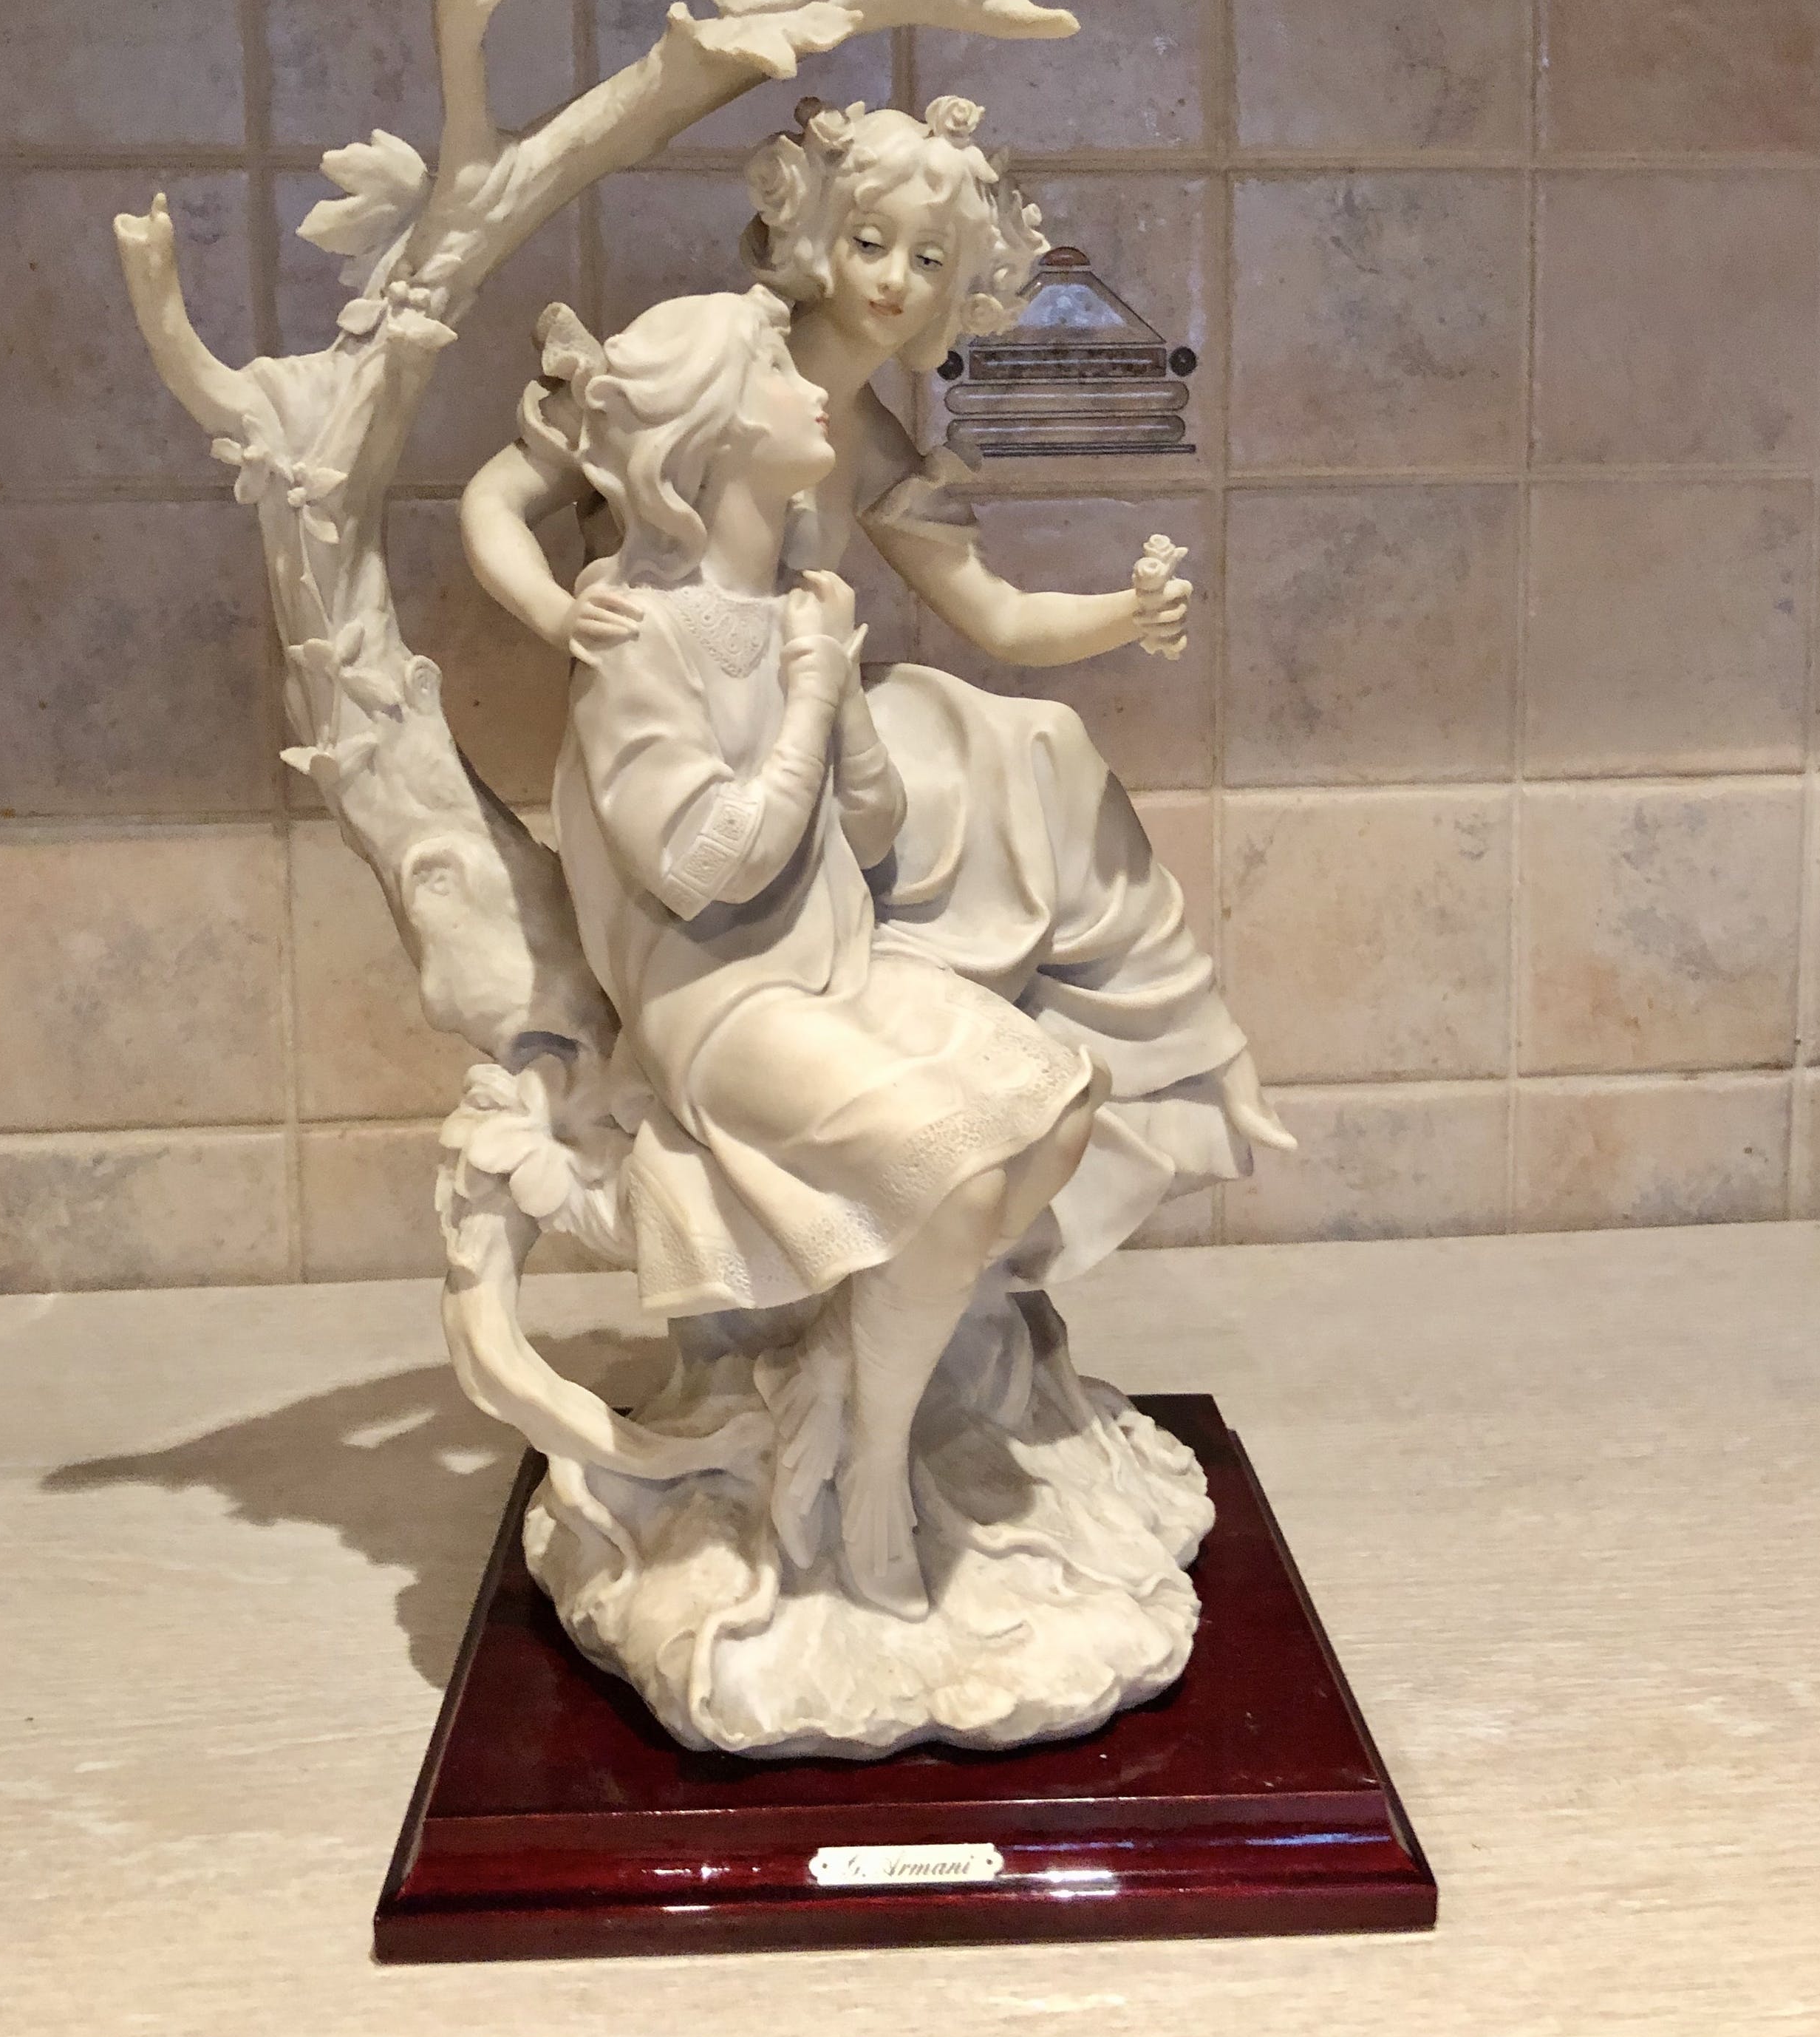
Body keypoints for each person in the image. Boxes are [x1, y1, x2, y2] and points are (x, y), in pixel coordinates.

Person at [462, 98, 1290, 1285]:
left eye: (932, 259)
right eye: (871, 243)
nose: (897, 280)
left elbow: (996, 615)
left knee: (1042, 744)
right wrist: (558, 615)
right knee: (981, 766)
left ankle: (1170, 1044)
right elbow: (495, 502)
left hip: (806, 719)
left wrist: (1126, 613)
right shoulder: (711, 358)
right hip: (676, 760)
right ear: (816, 236)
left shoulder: (862, 438)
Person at [547, 285, 1101, 1617]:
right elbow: (705, 863)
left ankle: (846, 1368)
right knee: (950, 1180)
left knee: (1065, 1106)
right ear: (713, 428)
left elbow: (868, 827)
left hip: (836, 967)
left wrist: (835, 685)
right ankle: (872, 1467)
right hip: (721, 1007)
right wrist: (807, 693)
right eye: (777, 374)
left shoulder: (804, 600)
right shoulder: (636, 634)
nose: (816, 391)